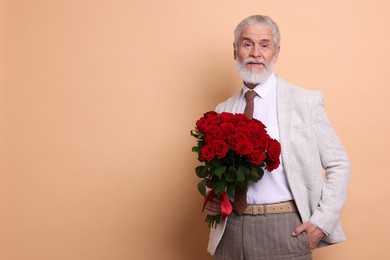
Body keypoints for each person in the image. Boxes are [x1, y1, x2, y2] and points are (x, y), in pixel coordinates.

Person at [203, 15, 351, 260]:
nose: (255, 53)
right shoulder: (222, 110)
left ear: (276, 52)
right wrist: (211, 197)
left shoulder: (305, 102)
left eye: (264, 44)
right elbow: (213, 173)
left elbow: (339, 164)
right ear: (235, 51)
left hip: (284, 228)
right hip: (229, 231)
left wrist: (321, 223)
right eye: (247, 44)